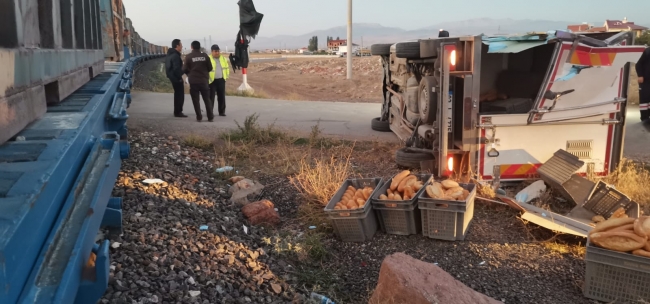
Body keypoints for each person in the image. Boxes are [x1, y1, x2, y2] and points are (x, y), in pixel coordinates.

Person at [182, 41, 214, 122]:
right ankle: (210, 117)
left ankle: (199, 117)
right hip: (204, 80)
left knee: (196, 100)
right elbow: (210, 68)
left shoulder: (188, 57)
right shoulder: (205, 56)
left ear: (191, 47)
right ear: (199, 47)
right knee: (207, 99)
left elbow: (184, 69)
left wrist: (189, 73)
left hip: (193, 81)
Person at [165, 39, 187, 117]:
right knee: (179, 95)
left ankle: (177, 111)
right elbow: (176, 68)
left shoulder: (170, 54)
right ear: (177, 46)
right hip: (176, 78)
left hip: (171, 76)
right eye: (181, 45)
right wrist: (180, 77)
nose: (182, 46)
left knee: (177, 94)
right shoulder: (175, 56)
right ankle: (178, 112)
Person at [209, 45, 230, 117]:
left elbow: (226, 68)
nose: (217, 53)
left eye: (218, 51)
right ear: (211, 51)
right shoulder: (208, 59)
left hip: (221, 80)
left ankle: (222, 111)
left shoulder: (223, 59)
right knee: (211, 97)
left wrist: (226, 77)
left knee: (221, 97)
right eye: (215, 51)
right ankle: (210, 111)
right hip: (211, 81)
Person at [635, 47, 650, 124]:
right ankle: (644, 118)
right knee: (645, 100)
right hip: (646, 81)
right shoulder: (648, 51)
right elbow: (639, 63)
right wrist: (640, 75)